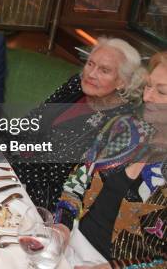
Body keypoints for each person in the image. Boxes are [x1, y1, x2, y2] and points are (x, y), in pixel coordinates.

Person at [54, 51, 166, 266]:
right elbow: (76, 183)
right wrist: (63, 226)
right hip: (70, 244)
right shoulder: (123, 128)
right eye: (148, 86)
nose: (147, 97)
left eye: (161, 92)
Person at [11, 38, 147, 210]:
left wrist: (7, 168)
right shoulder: (77, 84)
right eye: (91, 64)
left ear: (122, 82)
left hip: (43, 197)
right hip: (17, 169)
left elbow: (58, 171)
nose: (91, 74)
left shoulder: (120, 123)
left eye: (104, 70)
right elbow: (33, 119)